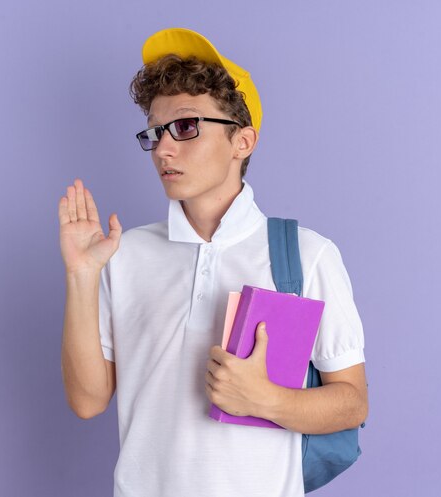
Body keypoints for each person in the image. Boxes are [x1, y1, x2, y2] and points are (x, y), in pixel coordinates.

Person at [58, 28, 368, 497]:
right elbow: (87, 401)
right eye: (154, 132)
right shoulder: (124, 255)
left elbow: (352, 403)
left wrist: (266, 399)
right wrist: (82, 276)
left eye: (185, 127)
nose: (163, 149)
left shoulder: (307, 255)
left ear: (242, 142)